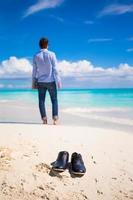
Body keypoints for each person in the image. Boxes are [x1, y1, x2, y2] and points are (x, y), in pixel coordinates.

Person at [32, 37, 61, 125]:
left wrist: (33, 82)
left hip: (40, 82)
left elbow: (34, 70)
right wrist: (58, 81)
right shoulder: (52, 54)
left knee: (41, 101)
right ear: (47, 45)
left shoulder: (36, 56)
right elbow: (55, 68)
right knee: (54, 100)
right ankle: (55, 119)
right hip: (51, 81)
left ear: (39, 45)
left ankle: (44, 119)